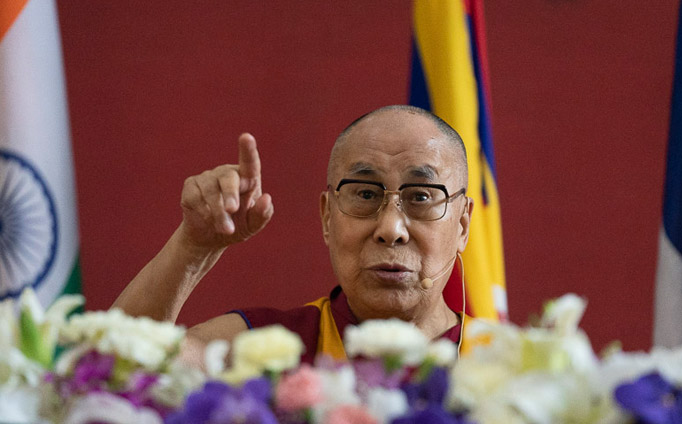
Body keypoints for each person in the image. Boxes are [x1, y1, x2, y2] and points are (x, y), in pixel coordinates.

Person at [112, 105, 474, 365]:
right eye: (365, 194)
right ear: (327, 217)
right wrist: (193, 247)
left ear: (462, 226)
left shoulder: (506, 367)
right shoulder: (267, 350)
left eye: (421, 197)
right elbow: (110, 371)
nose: (390, 229)